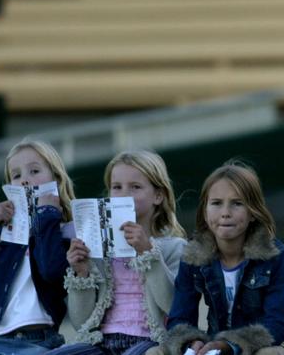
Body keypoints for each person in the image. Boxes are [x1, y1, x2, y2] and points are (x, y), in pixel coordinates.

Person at [152, 160, 284, 355]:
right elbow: (180, 319)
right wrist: (191, 343)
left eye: (237, 204)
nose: (225, 213)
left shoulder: (274, 255)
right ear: (205, 212)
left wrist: (229, 345)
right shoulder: (193, 255)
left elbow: (275, 326)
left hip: (273, 345)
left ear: (253, 213)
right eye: (216, 203)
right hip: (216, 346)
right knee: (155, 353)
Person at [48, 150, 187, 355]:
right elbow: (81, 322)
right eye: (117, 187)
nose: (124, 194)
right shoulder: (98, 251)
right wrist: (82, 273)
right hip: (100, 343)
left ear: (158, 196)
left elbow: (173, 306)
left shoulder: (173, 247)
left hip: (149, 342)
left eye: (135, 187)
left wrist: (148, 253)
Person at [0, 139, 76, 354]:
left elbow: (52, 271)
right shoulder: (1, 234)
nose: (25, 180)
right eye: (16, 176)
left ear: (56, 178)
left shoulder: (66, 231)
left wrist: (47, 217)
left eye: (34, 171)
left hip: (38, 341)